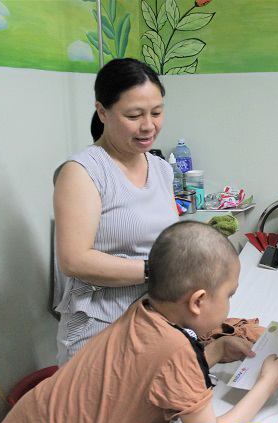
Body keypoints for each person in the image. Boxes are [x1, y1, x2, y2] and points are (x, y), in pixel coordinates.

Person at [0, 222, 278, 423]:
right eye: (229, 295)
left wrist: (215, 351)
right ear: (198, 301)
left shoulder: (143, 308)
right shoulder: (176, 350)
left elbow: (153, 375)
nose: (229, 305)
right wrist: (266, 385)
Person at [53, 58, 179, 366]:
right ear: (102, 112)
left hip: (154, 319)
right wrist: (155, 269)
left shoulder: (162, 169)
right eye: (134, 115)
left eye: (157, 112)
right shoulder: (83, 171)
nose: (148, 125)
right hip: (100, 326)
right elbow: (74, 260)